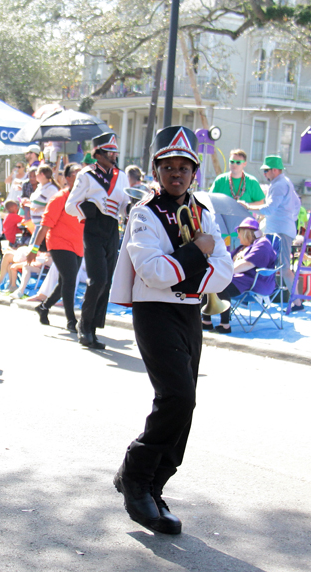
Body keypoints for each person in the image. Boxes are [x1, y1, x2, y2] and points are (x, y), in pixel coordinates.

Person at [109, 125, 233, 535]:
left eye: (184, 168)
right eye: (168, 168)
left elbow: (226, 270)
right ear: (156, 171)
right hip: (154, 311)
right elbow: (153, 271)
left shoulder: (205, 211)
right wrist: (198, 252)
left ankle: (153, 485)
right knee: (175, 397)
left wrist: (187, 272)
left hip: (187, 312)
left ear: (194, 173)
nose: (176, 174)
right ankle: (135, 475)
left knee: (187, 404)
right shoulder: (144, 212)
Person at [64, 132, 129, 349]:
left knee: (107, 281)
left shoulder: (121, 175)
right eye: (110, 152)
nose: (114, 156)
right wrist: (88, 209)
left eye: (115, 152)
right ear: (98, 154)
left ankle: (92, 329)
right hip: (92, 227)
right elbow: (70, 205)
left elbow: (124, 203)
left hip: (112, 228)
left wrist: (131, 208)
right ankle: (84, 325)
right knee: (97, 279)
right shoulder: (86, 175)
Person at [241, 155, 301, 310]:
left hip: (280, 232)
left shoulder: (279, 184)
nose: (265, 174)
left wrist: (247, 206)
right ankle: (264, 298)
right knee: (270, 265)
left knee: (283, 267)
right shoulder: (284, 183)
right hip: (279, 229)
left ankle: (297, 302)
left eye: (266, 170)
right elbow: (297, 205)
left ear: (275, 170)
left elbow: (269, 208)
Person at [29, 162, 84, 332]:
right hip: (59, 243)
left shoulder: (86, 199)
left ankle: (44, 307)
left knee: (64, 283)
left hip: (78, 245)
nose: (81, 177)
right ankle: (71, 320)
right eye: (76, 174)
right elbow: (44, 226)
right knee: (69, 279)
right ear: (67, 178)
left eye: (83, 174)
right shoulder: (59, 198)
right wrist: (33, 249)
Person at [202, 217, 276, 333]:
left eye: (239, 233)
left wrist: (222, 273)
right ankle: (206, 321)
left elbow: (247, 264)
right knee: (208, 281)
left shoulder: (262, 244)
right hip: (239, 280)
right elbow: (228, 261)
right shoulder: (243, 247)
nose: (238, 236)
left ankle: (225, 325)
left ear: (246, 232)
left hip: (255, 282)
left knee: (221, 285)